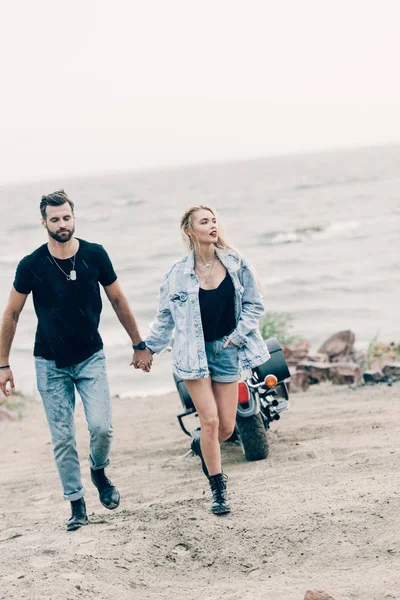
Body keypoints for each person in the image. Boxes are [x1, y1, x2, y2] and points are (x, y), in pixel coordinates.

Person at [0, 190, 152, 531]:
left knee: (101, 427)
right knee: (63, 437)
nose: (61, 224)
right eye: (54, 219)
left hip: (90, 358)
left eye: (66, 217)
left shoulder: (95, 255)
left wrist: (138, 344)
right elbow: (11, 313)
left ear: (74, 217)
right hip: (48, 362)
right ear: (44, 223)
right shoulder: (32, 265)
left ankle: (98, 470)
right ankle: (77, 504)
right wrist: (3, 364)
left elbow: (117, 299)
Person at [141, 205, 270, 515]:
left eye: (214, 220)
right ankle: (219, 490)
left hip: (226, 351)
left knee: (225, 428)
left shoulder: (236, 263)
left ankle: (202, 445)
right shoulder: (177, 274)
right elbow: (164, 318)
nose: (213, 226)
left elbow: (255, 305)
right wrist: (147, 349)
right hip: (191, 356)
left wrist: (237, 336)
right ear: (190, 230)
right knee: (208, 421)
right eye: (204, 222)